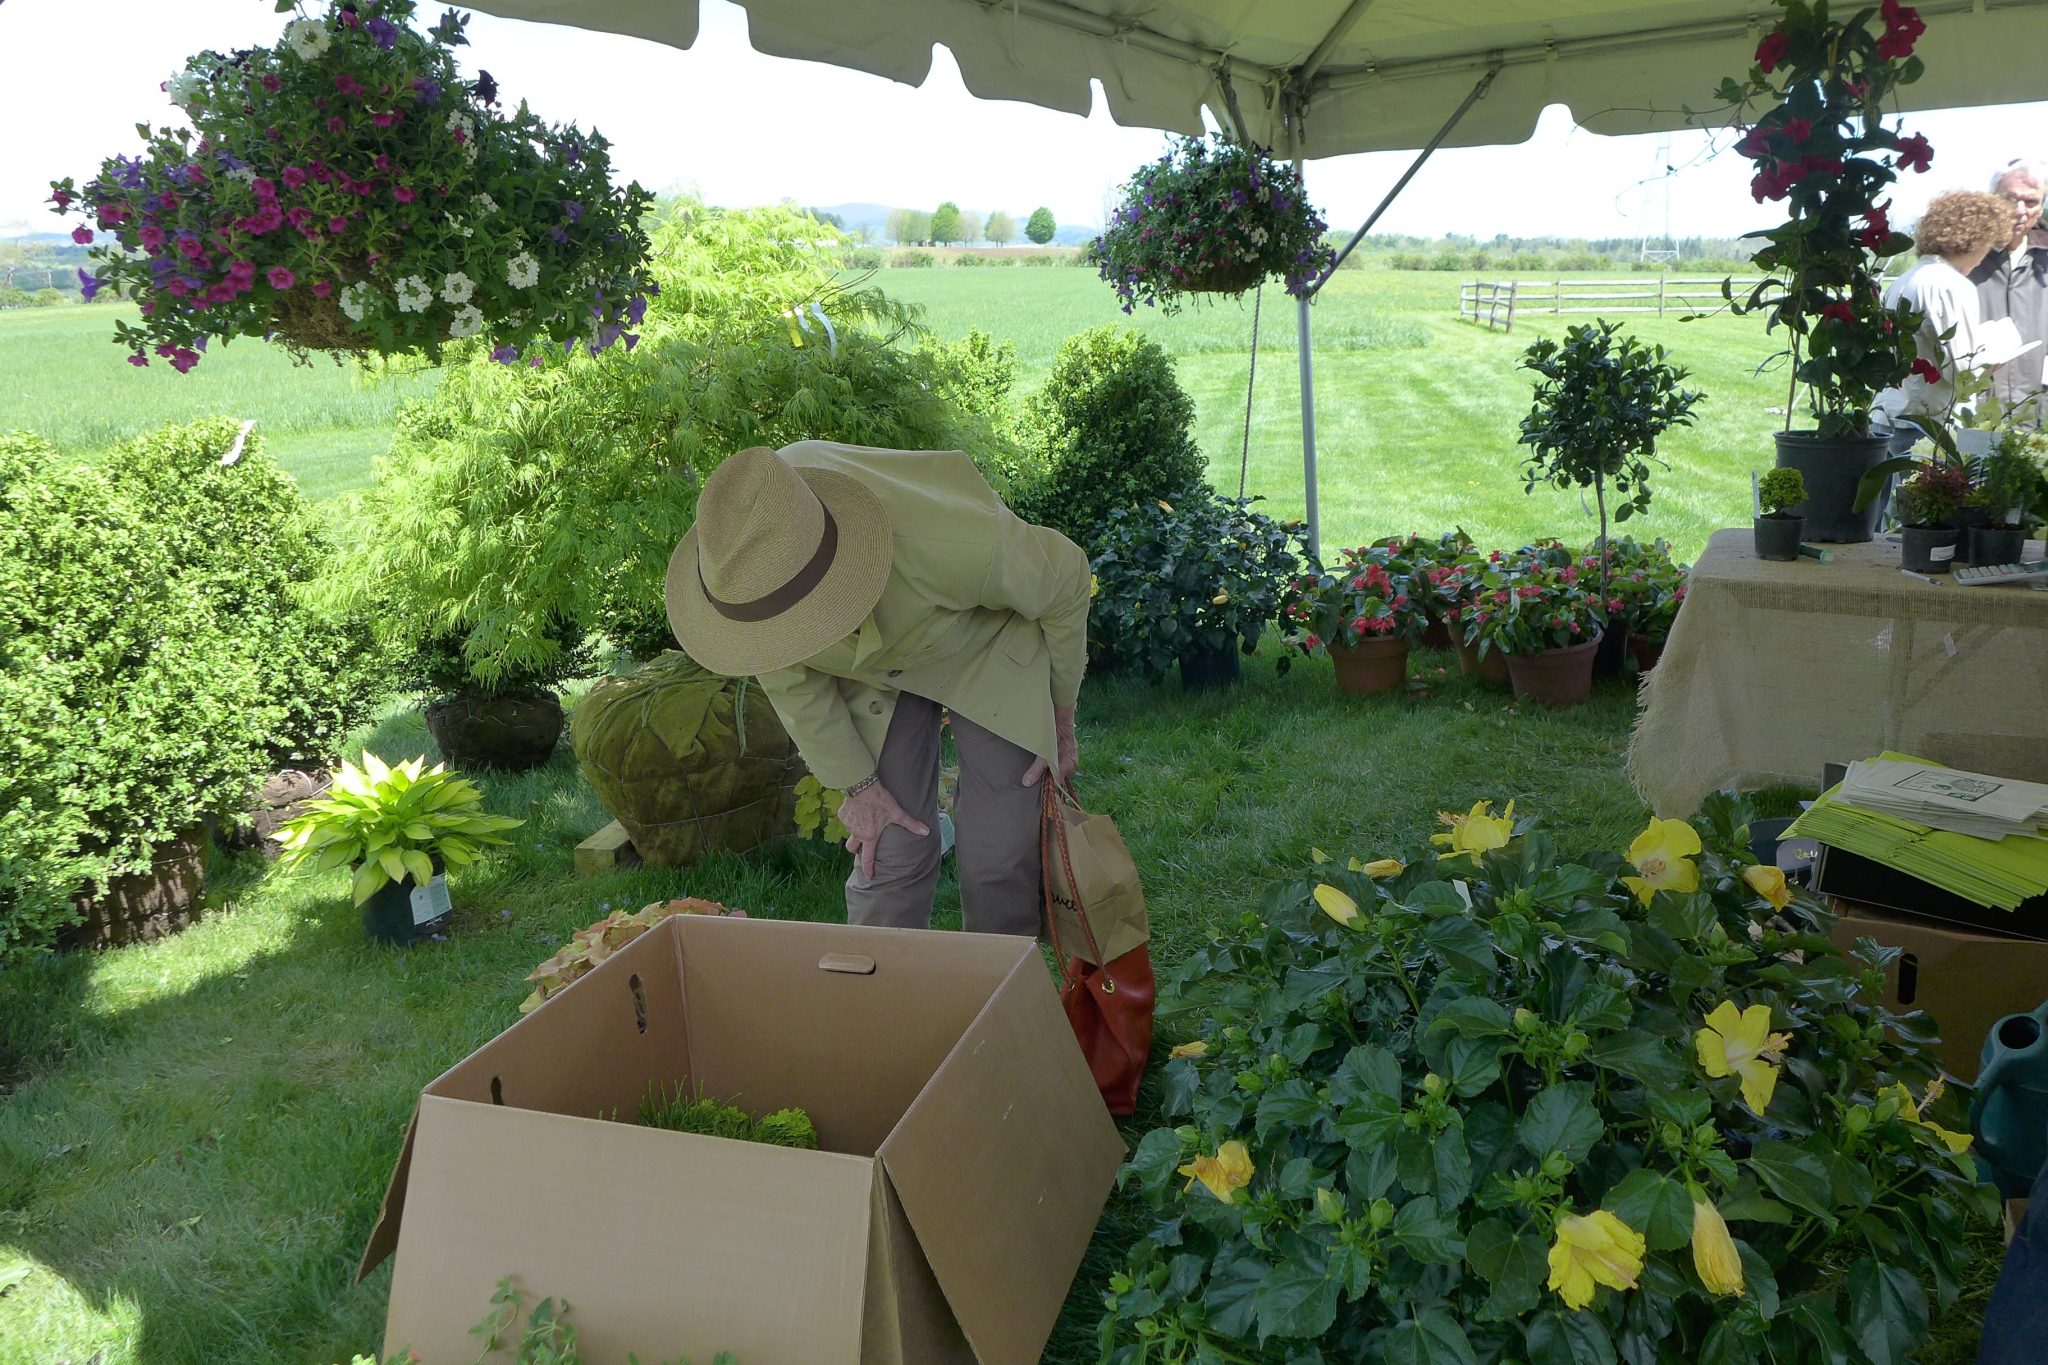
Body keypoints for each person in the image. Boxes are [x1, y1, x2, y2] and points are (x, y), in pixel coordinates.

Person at [664, 441, 1088, 936]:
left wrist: (1060, 715)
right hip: (865, 674)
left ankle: (999, 995)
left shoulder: (955, 543)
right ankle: (876, 999)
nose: (793, 636)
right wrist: (860, 787)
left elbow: (1066, 581)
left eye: (804, 619)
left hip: (983, 647)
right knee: (887, 849)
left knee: (1000, 854)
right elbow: (798, 691)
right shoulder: (751, 576)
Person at [1874, 189, 2014, 441]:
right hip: (1921, 422)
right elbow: (1963, 370)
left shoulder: (1907, 278)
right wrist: (2000, 355)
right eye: (1988, 245)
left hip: (1888, 414)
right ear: (1974, 239)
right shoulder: (1951, 284)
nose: (1984, 258)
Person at [1969, 157, 2048, 428]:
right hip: (1977, 413)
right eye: (2009, 199)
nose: (2019, 211)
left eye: (2031, 202)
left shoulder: (2045, 257)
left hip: (2037, 414)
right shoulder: (1965, 255)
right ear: (1992, 199)